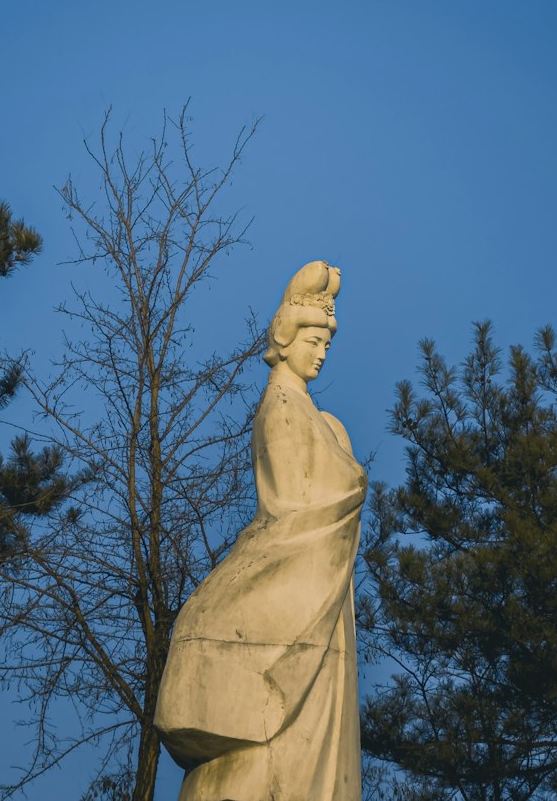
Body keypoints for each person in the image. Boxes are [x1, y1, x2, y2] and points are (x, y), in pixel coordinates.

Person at [154, 261, 367, 800]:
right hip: (304, 573)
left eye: (327, 343)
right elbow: (298, 509)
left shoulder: (312, 413)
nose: (321, 351)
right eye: (314, 339)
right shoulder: (283, 407)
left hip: (321, 586)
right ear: (286, 337)